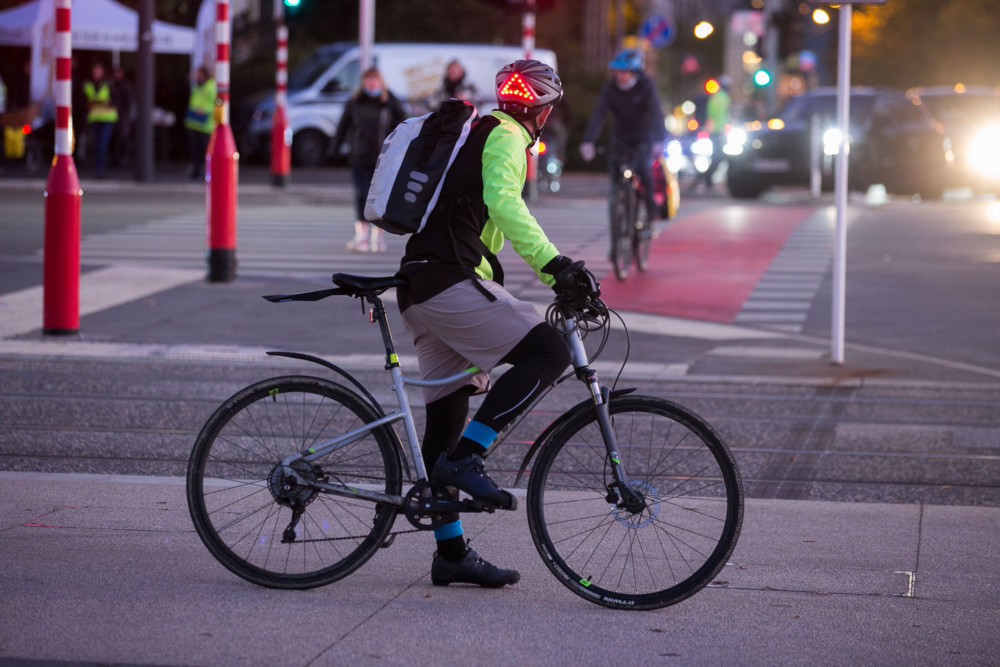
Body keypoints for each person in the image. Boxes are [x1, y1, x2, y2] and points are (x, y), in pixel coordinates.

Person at [396, 59, 599, 588]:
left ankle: (451, 554)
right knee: (549, 352)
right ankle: (469, 460)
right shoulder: (507, 137)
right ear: (545, 113)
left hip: (421, 288)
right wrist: (556, 266)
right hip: (446, 283)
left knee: (443, 429)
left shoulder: (480, 130)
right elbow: (504, 202)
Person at [579, 48, 666, 223]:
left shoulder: (646, 85)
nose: (621, 76)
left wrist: (658, 140)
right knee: (615, 174)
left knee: (643, 169)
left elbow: (656, 112)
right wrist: (588, 141)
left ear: (634, 72)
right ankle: (618, 220)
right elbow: (599, 113)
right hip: (621, 136)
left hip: (643, 136)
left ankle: (651, 212)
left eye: (625, 72)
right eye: (618, 71)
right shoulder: (610, 87)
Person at [331, 67, 407, 253]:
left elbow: (406, 124)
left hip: (383, 158)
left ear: (380, 82)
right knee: (361, 195)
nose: (372, 84)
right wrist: (333, 151)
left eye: (375, 80)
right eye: (368, 80)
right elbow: (343, 127)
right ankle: (361, 236)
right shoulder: (355, 102)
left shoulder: (390, 102)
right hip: (359, 157)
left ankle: (377, 237)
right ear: (363, 82)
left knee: (379, 198)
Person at [691, 75, 732, 192]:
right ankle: (705, 178)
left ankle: (705, 179)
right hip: (719, 132)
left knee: (717, 157)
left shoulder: (714, 97)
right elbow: (725, 115)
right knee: (719, 157)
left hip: (714, 131)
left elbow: (710, 114)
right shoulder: (724, 98)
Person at [83, 63, 118, 178]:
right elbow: (82, 100)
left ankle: (101, 168)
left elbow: (117, 99)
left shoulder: (108, 83)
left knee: (103, 144)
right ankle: (98, 167)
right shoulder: (87, 84)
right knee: (97, 144)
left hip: (107, 118)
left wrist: (109, 103)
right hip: (94, 118)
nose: (97, 73)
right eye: (95, 71)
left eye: (99, 71)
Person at [184, 66, 216, 180]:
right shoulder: (197, 87)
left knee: (206, 151)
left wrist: (204, 110)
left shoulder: (211, 87)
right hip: (194, 123)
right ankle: (196, 172)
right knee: (194, 150)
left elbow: (217, 104)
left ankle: (210, 172)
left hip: (206, 125)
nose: (197, 76)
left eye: (199, 74)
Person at [110, 66, 135, 168]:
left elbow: (130, 101)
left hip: (123, 115)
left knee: (123, 137)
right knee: (115, 138)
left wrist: (129, 115)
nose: (117, 75)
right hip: (112, 115)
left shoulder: (126, 85)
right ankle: (116, 158)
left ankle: (123, 157)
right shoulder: (111, 85)